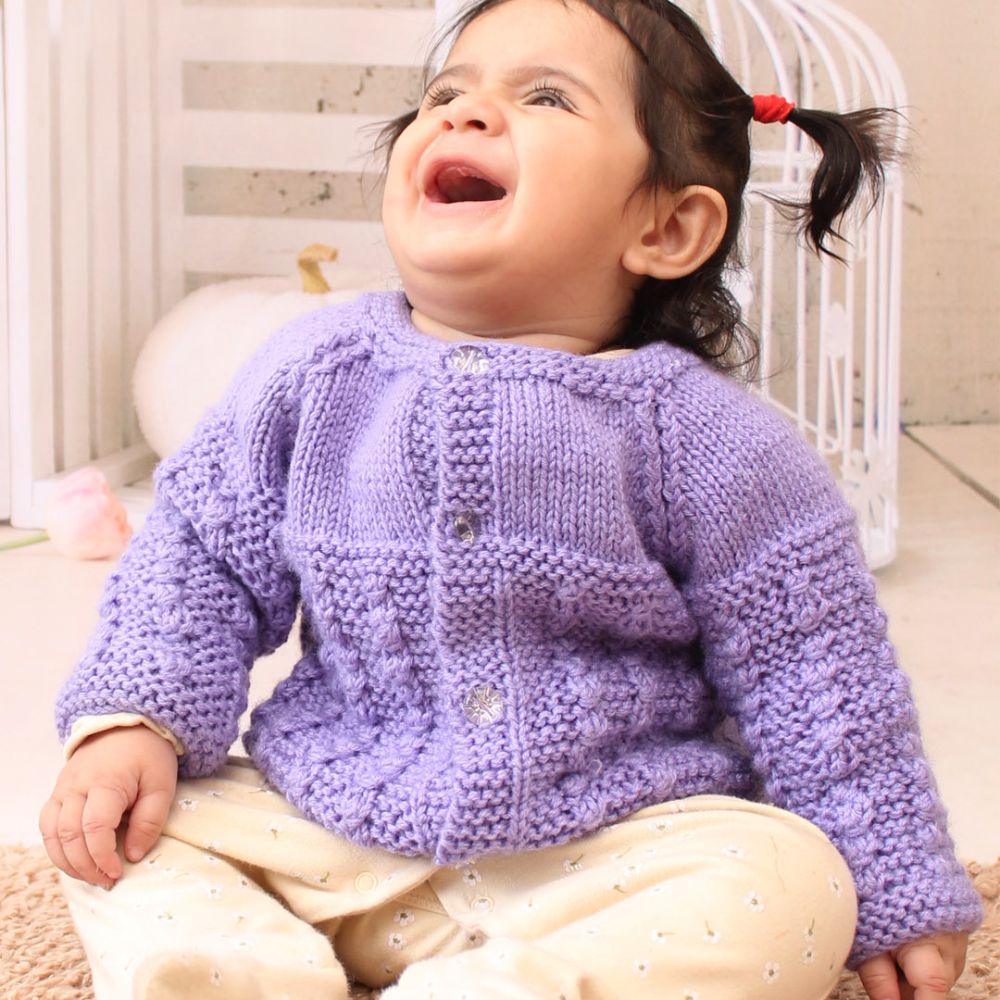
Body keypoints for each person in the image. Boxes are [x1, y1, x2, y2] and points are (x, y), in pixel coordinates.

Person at [41, 0, 981, 997]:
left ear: (666, 225)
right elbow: (199, 558)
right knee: (116, 831)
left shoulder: (709, 439)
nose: (464, 112)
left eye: (542, 95)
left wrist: (887, 874)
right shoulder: (313, 372)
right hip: (330, 827)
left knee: (794, 887)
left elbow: (815, 666)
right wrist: (133, 716)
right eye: (445, 91)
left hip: (602, 852)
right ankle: (236, 971)